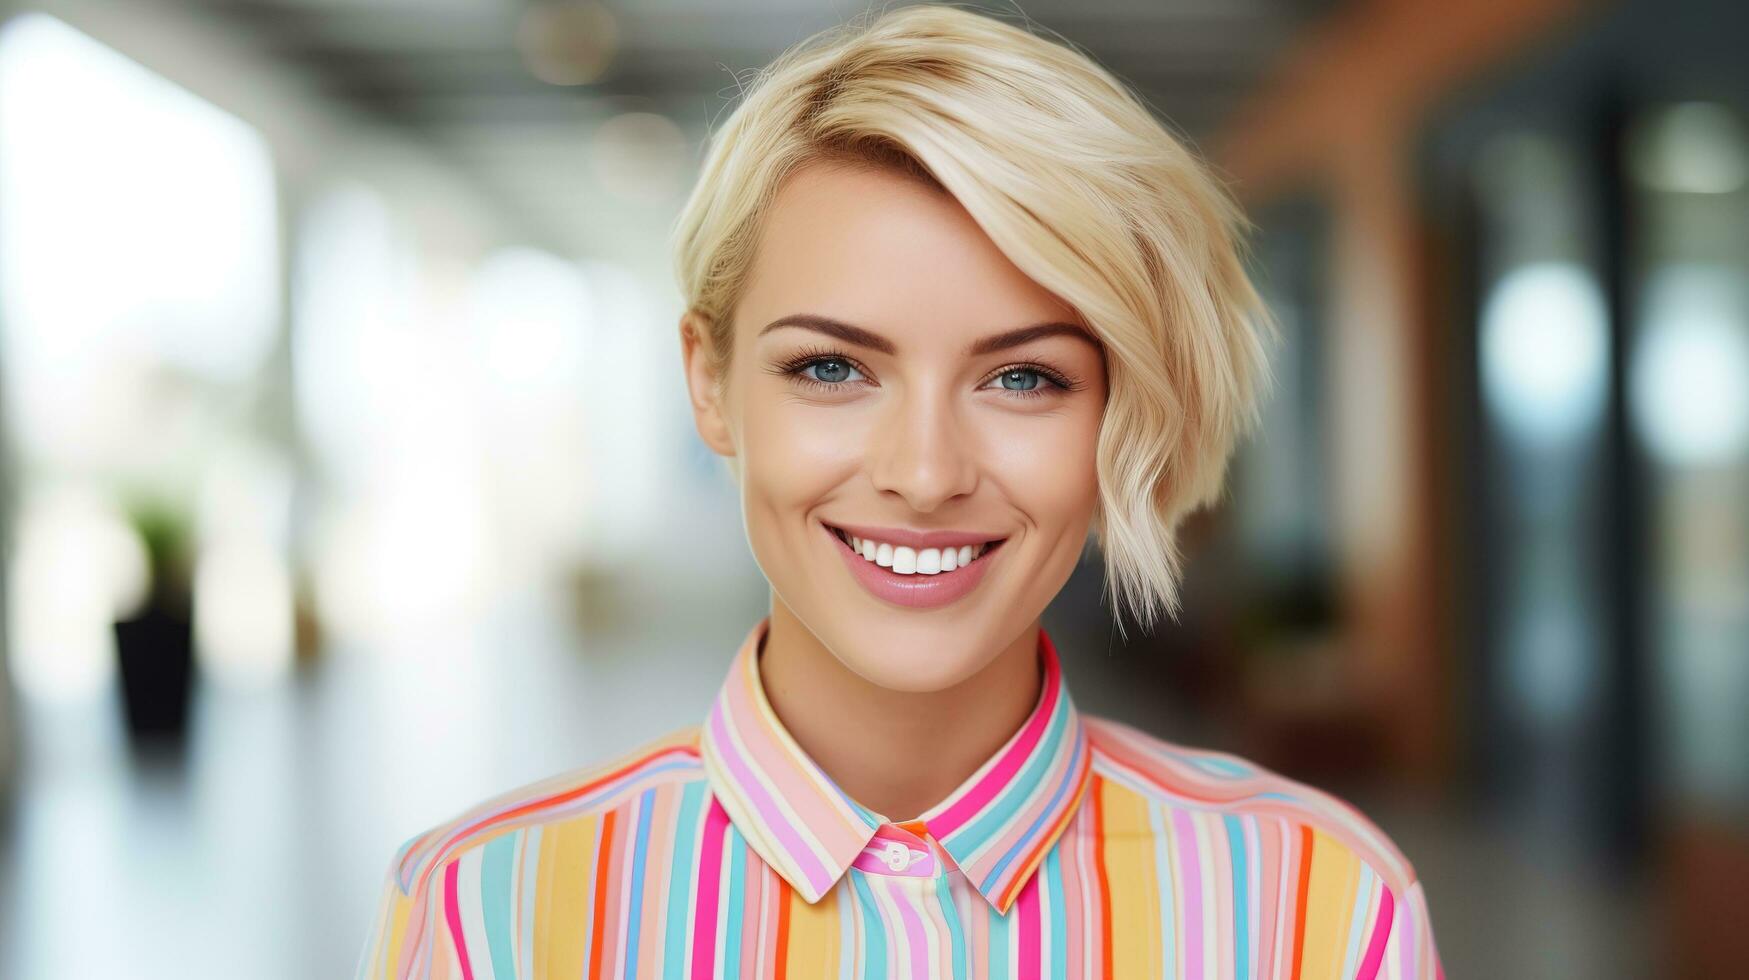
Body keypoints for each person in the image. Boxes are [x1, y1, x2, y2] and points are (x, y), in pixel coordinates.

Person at [355, 5, 1442, 978]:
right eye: (831, 368)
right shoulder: (482, 913)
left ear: (1121, 409)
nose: (924, 474)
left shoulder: (1320, 908)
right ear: (710, 383)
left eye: (1024, 377)